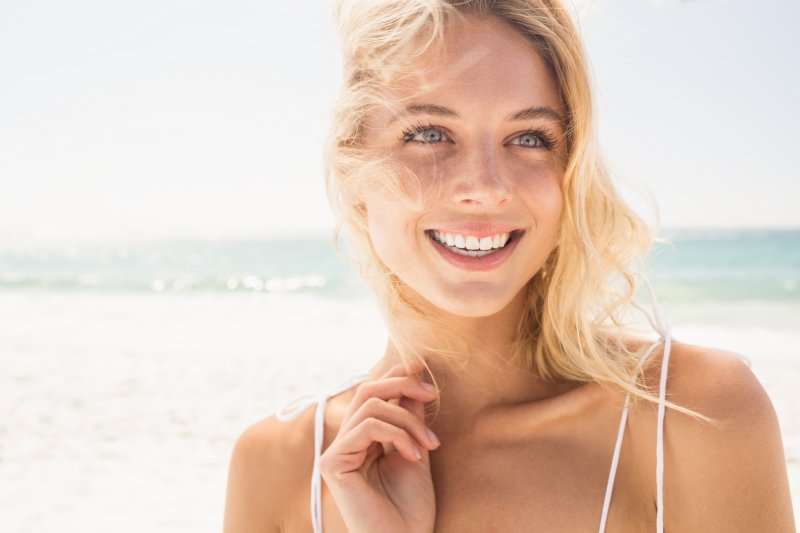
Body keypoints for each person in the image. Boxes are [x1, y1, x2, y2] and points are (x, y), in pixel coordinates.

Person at [223, 1, 796, 531]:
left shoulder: (694, 414)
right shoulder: (278, 464)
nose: (486, 188)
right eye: (428, 134)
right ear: (354, 170)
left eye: (528, 137)